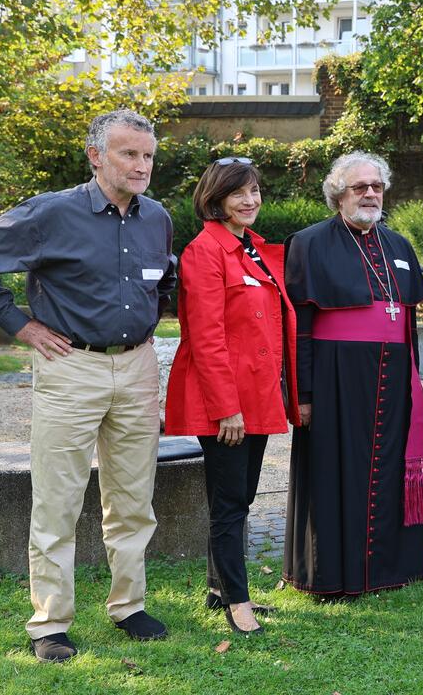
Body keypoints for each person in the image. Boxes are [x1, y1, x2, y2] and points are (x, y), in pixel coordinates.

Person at [0, 109, 175, 662]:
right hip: (71, 367)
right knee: (58, 499)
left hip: (139, 367)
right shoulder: (51, 213)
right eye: (129, 154)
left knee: (133, 497)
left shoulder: (158, 218)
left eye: (148, 155)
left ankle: (129, 606)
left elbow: (161, 281)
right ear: (96, 156)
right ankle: (49, 623)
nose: (141, 165)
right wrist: (21, 326)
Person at [282, 152, 423, 595]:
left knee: (388, 469)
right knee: (335, 473)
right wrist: (303, 393)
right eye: (359, 187)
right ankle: (333, 573)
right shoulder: (308, 242)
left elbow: (405, 319)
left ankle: (390, 569)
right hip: (336, 380)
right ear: (337, 195)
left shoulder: (399, 246)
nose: (370, 194)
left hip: (393, 375)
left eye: (377, 187)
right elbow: (300, 329)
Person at [163, 157, 298, 634]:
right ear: (215, 198)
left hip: (258, 397)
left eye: (256, 190)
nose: (250, 200)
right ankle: (238, 604)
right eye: (239, 193)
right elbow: (206, 337)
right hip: (223, 403)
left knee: (241, 499)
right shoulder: (205, 251)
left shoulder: (253, 250)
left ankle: (220, 589)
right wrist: (227, 409)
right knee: (228, 504)